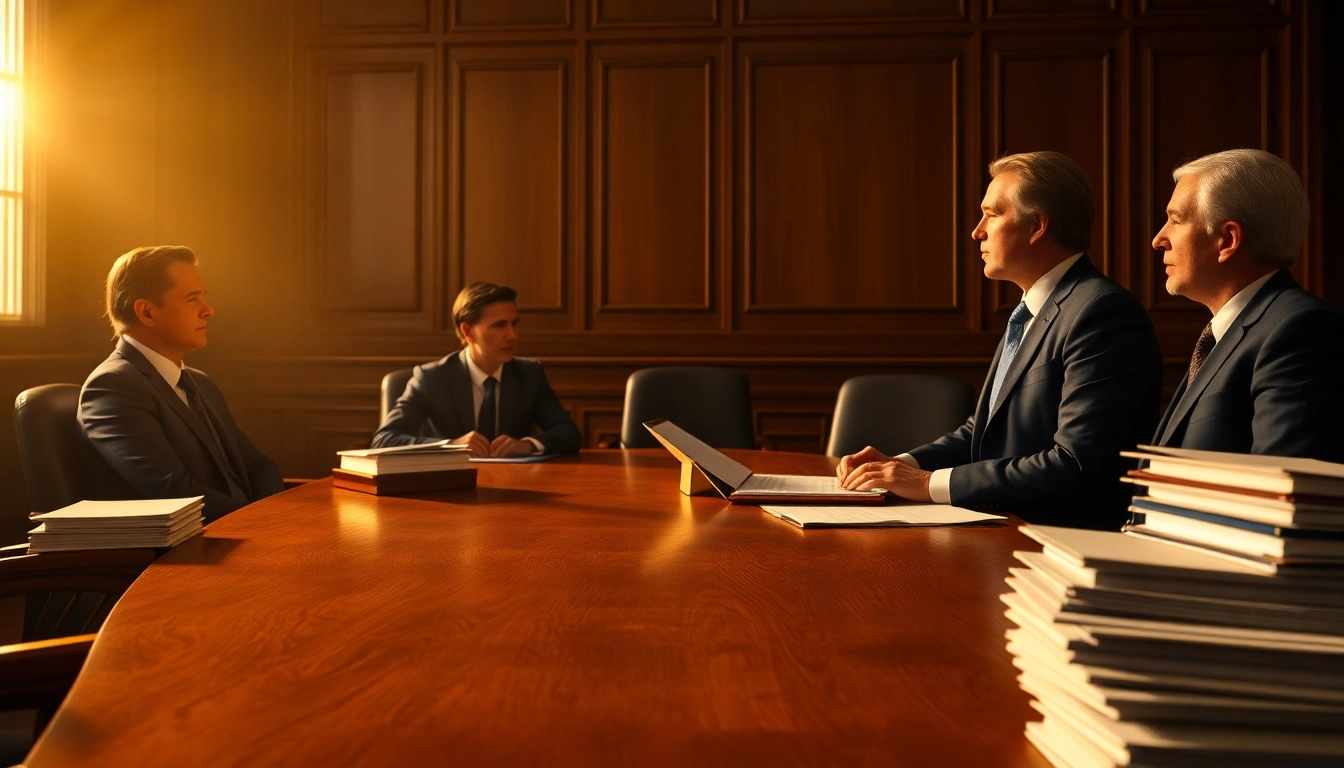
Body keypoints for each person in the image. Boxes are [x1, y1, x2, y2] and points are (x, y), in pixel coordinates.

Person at [837, 152, 1162, 530]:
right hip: (1005, 529)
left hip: (1053, 545)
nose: (977, 230)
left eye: (992, 215)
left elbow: (1075, 462)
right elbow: (982, 432)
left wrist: (927, 484)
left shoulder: (1102, 312)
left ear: (1037, 225)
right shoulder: (1032, 308)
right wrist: (901, 465)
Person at [1150, 149, 1344, 461]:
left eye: (1175, 220)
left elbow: (1277, 490)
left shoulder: (1301, 332)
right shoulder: (1223, 334)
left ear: (1227, 239)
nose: (1158, 239)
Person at [79, 246, 283, 522]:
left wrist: (278, 521)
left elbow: (259, 466)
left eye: (204, 297)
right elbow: (173, 492)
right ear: (146, 312)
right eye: (192, 299)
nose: (208, 310)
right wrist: (261, 524)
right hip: (186, 556)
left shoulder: (200, 382)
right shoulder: (112, 387)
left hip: (250, 533)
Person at [372, 282, 581, 456]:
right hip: (450, 489)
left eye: (514, 323)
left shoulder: (529, 374)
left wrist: (527, 445)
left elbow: (569, 433)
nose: (512, 335)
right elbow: (384, 439)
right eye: (499, 325)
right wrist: (450, 445)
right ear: (468, 331)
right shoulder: (432, 378)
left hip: (517, 487)